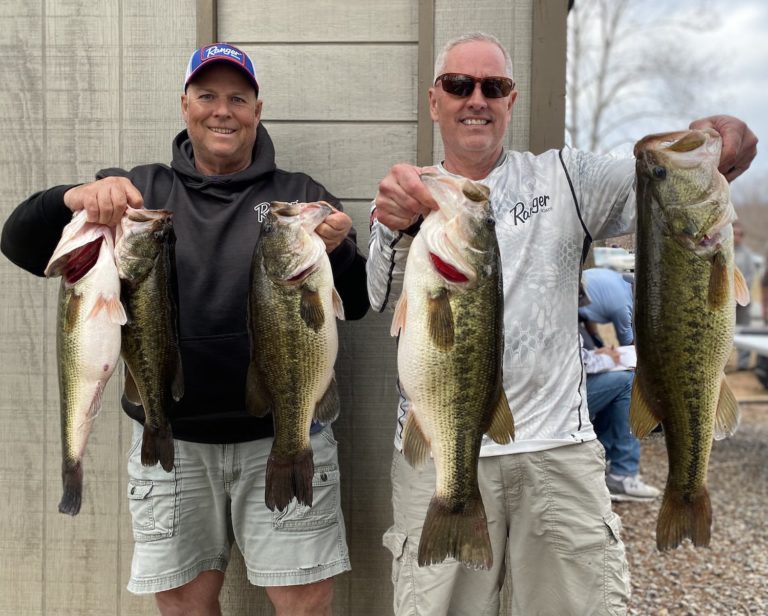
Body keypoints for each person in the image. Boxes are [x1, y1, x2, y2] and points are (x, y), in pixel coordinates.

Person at [366, 31, 757, 616]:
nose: (476, 98)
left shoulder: (567, 177)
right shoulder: (412, 195)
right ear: (434, 100)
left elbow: (664, 192)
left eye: (492, 87)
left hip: (558, 450)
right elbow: (379, 295)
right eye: (459, 85)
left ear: (512, 100)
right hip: (442, 449)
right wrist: (395, 225)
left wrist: (717, 141)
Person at [1, 43, 369, 616]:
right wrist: (73, 197)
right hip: (170, 436)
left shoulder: (299, 196)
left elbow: (361, 301)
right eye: (207, 96)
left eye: (237, 99)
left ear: (257, 109)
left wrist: (340, 250)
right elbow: (18, 243)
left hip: (285, 433)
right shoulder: (137, 193)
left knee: (305, 603)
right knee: (181, 605)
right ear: (185, 105)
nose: (222, 111)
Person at [579, 322, 659, 501]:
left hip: (547, 392)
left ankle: (599, 462)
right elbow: (573, 361)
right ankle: (622, 473)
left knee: (620, 379)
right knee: (627, 382)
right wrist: (605, 358)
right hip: (559, 395)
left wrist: (596, 350)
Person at [578, 267, 636, 346]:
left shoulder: (619, 277)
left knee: (597, 343)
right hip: (572, 304)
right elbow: (628, 344)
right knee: (589, 349)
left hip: (575, 282)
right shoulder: (624, 308)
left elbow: (596, 298)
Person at [732, 220, 757, 369]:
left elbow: (750, 276)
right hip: (726, 301)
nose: (736, 236)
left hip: (742, 300)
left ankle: (743, 363)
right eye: (734, 233)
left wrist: (739, 291)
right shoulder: (724, 249)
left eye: (739, 234)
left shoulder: (747, 254)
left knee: (744, 330)